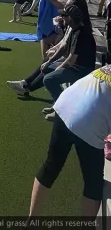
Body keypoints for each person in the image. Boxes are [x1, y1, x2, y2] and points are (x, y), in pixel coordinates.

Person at [28, 64, 111, 218]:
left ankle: (32, 222)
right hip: (88, 121)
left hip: (65, 104)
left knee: (51, 165)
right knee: (93, 184)